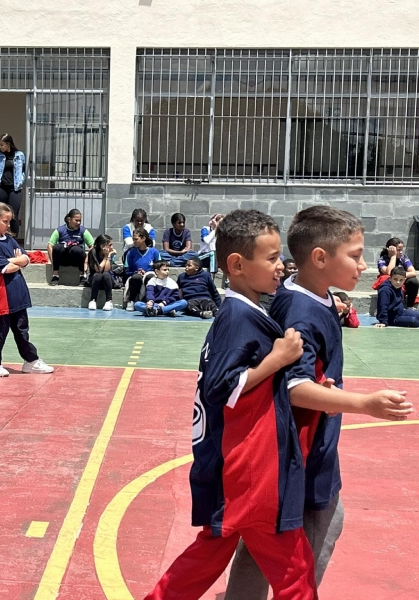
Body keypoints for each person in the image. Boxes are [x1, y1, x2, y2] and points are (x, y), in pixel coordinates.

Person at [224, 205, 414, 600]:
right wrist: (365, 403)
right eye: (355, 255)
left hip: (303, 447)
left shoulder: (311, 297)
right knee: (298, 542)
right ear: (320, 258)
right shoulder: (301, 312)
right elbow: (295, 387)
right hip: (300, 453)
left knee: (266, 540)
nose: (363, 265)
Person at [144, 209, 317, 600]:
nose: (281, 265)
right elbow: (223, 387)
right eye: (271, 258)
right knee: (294, 570)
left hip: (240, 466)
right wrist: (278, 358)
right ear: (237, 265)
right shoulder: (238, 318)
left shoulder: (244, 312)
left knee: (210, 554)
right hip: (251, 470)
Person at [0, 201, 53, 377]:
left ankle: (31, 361)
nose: (8, 225)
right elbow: (7, 268)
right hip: (1, 295)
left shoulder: (10, 239)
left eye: (9, 221)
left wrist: (14, 261)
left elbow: (26, 259)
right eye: (4, 221)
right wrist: (15, 261)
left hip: (17, 291)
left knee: (22, 330)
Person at [0, 133, 26, 237]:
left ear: (8, 144)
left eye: (2, 145)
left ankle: (14, 239)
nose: (0, 147)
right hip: (1, 188)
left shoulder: (19, 155)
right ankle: (0, 237)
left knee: (13, 214)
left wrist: (22, 179)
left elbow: (25, 170)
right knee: (0, 214)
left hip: (15, 188)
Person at [47, 208, 95, 286]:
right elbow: (50, 245)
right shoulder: (60, 230)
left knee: (76, 249)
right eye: (76, 220)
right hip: (63, 260)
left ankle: (82, 276)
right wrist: (53, 262)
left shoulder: (83, 231)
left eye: (80, 221)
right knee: (57, 247)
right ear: (69, 219)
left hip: (77, 260)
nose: (78, 223)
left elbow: (92, 245)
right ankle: (55, 275)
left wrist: (86, 262)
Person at [122, 227, 161, 311]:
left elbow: (159, 269)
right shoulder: (131, 252)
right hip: (135, 276)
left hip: (149, 276)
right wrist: (136, 272)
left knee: (150, 277)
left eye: (136, 239)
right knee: (136, 277)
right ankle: (131, 301)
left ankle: (149, 301)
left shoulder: (154, 252)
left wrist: (146, 273)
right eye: (133, 239)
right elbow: (126, 271)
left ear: (143, 238)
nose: (134, 241)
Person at [377, 237, 419, 308]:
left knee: (413, 281)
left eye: (401, 250)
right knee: (386, 279)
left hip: (402, 282)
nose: (401, 252)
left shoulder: (403, 258)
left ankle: (410, 306)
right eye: (398, 250)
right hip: (389, 285)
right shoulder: (382, 260)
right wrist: (393, 256)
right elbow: (389, 272)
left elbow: (413, 272)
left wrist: (400, 276)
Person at [86, 234, 118, 311]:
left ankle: (108, 301)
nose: (112, 247)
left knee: (106, 274)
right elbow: (98, 270)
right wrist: (105, 257)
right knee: (98, 275)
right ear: (102, 246)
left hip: (107, 280)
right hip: (95, 280)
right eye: (110, 245)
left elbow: (106, 270)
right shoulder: (93, 252)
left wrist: (108, 256)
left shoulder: (110, 253)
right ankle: (93, 300)